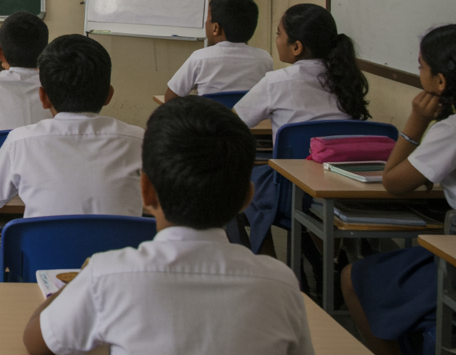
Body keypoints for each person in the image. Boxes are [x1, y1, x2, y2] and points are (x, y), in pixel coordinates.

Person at [23, 97, 313, 355]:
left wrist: (77, 283)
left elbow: (37, 341)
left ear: (146, 191)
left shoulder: (106, 276)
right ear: (247, 198)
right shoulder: (281, 284)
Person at [342, 24, 456, 355]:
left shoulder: (449, 132)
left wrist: (416, 122)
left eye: (420, 66)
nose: (418, 72)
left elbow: (393, 182)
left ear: (440, 81)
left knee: (353, 278)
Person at [234, 3, 369, 253]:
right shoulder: (348, 79)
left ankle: (267, 261)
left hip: (290, 191)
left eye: (278, 34)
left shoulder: (277, 82)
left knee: (238, 185)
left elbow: (232, 123)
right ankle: (326, 262)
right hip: (345, 188)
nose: (276, 40)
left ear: (296, 47)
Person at [0, 34, 145, 219]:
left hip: (42, 240)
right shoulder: (140, 140)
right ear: (109, 95)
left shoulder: (20, 142)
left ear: (43, 98)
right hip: (120, 239)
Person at [162, 0, 273, 100]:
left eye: (207, 19)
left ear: (216, 28)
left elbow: (170, 98)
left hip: (210, 114)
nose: (205, 23)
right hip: (247, 114)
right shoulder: (265, 59)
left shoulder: (200, 58)